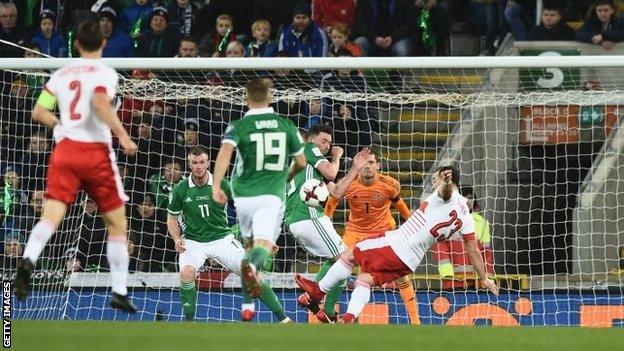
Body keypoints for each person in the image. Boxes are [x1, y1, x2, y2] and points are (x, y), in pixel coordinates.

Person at [14, 20, 138, 313]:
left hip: (65, 151)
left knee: (51, 217)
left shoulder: (61, 73)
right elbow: (99, 101)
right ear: (104, 43)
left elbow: (38, 111)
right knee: (117, 224)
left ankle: (28, 259)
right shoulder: (105, 73)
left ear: (77, 44)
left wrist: (59, 124)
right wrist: (123, 136)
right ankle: (120, 290)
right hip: (95, 152)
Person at [296, 166, 500, 323]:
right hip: (410, 261)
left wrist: (446, 183)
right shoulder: (467, 217)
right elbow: (473, 250)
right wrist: (485, 278)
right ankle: (348, 318)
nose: (434, 181)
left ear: (447, 179)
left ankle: (317, 291)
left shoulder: (447, 194)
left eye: (435, 178)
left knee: (351, 253)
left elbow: (446, 193)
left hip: (398, 244)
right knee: (365, 279)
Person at [168, 146, 291, 322]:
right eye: (194, 163)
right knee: (186, 273)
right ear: (189, 165)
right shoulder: (181, 189)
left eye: (202, 162)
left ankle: (284, 319)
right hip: (194, 242)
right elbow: (172, 218)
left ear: (208, 163)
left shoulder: (222, 184)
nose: (198, 166)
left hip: (222, 239)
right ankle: (189, 324)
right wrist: (176, 238)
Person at [212, 78, 306, 299]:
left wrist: (216, 184)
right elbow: (301, 162)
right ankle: (252, 269)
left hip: (242, 197)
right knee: (263, 244)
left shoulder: (238, 125)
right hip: (271, 195)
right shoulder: (286, 125)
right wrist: (286, 176)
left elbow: (225, 153)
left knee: (249, 245)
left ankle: (247, 305)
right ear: (270, 96)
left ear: (246, 98)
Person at [323, 150, 420, 324]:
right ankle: (329, 310)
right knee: (337, 266)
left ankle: (415, 321)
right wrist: (325, 221)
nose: (367, 166)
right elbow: (332, 201)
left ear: (378, 166)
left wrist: (414, 225)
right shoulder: (349, 183)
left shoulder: (390, 184)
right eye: (364, 163)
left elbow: (402, 207)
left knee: (401, 276)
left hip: (383, 233)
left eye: (371, 162)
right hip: (355, 232)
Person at [284, 125, 363, 323]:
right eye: (324, 141)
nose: (327, 145)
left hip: (299, 221)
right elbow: (330, 173)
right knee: (348, 259)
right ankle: (323, 305)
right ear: (312, 140)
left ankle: (316, 300)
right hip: (309, 217)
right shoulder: (309, 149)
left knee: (342, 261)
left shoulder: (309, 165)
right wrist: (336, 157)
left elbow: (336, 192)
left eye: (329, 142)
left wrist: (355, 168)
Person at [432, 186, 495, 290]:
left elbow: (486, 252)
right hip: (452, 280)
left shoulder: (483, 223)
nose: (467, 201)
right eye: (464, 197)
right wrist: (448, 275)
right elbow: (440, 248)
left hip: (476, 281)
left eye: (470, 197)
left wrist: (487, 276)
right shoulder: (446, 220)